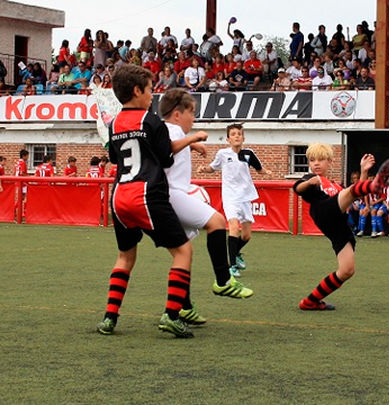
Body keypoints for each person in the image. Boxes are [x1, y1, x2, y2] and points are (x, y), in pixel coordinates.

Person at [95, 64, 197, 338]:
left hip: (119, 197)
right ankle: (172, 315)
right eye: (151, 89)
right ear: (137, 90)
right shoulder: (152, 121)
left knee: (125, 257)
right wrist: (191, 140)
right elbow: (166, 159)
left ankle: (109, 318)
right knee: (183, 251)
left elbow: (116, 158)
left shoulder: (114, 123)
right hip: (148, 194)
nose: (153, 95)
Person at [160, 90, 253, 319]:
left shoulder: (169, 131)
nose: (194, 118)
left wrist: (191, 146)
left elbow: (165, 147)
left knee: (184, 254)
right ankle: (223, 280)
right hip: (171, 194)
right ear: (177, 114)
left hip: (169, 195)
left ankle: (183, 307)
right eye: (192, 113)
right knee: (217, 222)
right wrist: (193, 140)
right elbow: (166, 146)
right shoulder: (172, 130)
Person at [293, 145, 389, 310]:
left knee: (347, 270)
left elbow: (355, 194)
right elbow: (297, 188)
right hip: (323, 210)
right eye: (312, 160)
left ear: (330, 162)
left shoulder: (335, 186)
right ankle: (373, 185)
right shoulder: (311, 178)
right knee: (349, 192)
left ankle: (310, 301)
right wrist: (309, 182)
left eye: (321, 159)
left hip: (338, 225)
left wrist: (363, 171)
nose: (316, 163)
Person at [197, 123, 270, 276]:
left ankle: (235, 253)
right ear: (228, 139)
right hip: (230, 196)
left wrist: (267, 172)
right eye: (233, 134)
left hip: (246, 196)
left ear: (243, 138)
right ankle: (232, 266)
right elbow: (212, 168)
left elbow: (259, 169)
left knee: (246, 236)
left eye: (239, 134)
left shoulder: (248, 154)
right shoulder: (223, 154)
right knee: (233, 227)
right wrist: (204, 169)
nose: (237, 136)